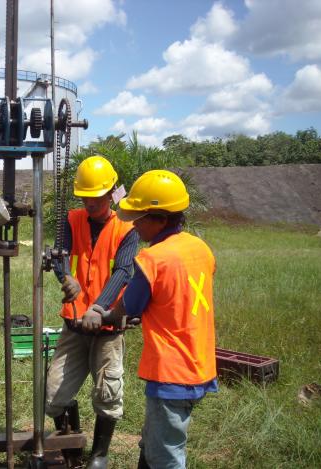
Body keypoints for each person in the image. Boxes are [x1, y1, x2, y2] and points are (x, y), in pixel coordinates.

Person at [83, 169, 218, 469]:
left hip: (171, 373)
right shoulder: (201, 249)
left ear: (160, 218)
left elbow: (128, 308)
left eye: (140, 218)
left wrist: (103, 313)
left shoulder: (152, 259)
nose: (134, 225)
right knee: (153, 439)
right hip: (200, 365)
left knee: (165, 457)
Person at [46, 155, 140, 469]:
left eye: (96, 198)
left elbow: (124, 271)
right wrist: (65, 276)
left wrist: (99, 307)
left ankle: (99, 454)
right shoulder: (70, 220)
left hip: (108, 329)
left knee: (108, 395)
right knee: (52, 396)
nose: (89, 204)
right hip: (74, 324)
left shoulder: (127, 228)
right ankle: (70, 440)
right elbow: (59, 254)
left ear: (112, 192)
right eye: (85, 197)